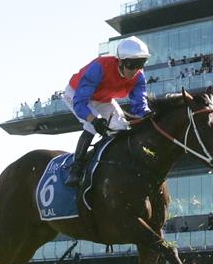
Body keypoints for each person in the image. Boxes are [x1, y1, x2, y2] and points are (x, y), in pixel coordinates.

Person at [62, 36, 151, 188]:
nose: (135, 70)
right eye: (131, 65)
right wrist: (94, 120)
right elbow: (80, 102)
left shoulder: (139, 77)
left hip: (103, 99)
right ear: (120, 61)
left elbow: (140, 107)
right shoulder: (100, 67)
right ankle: (75, 168)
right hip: (76, 94)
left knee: (122, 126)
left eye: (140, 64)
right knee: (91, 125)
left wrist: (150, 116)